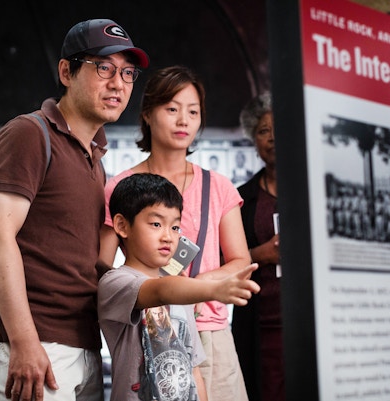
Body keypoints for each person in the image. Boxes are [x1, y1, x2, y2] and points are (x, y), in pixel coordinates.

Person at [0, 18, 149, 401]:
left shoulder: (94, 156)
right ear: (66, 72)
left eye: (127, 73)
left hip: (82, 341)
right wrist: (24, 341)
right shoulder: (29, 135)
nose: (118, 84)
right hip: (34, 341)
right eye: (104, 68)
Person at [99, 65, 252, 401]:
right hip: (149, 328)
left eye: (193, 112)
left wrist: (195, 290)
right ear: (147, 113)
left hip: (210, 330)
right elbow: (102, 265)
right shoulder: (120, 187)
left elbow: (240, 260)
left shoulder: (218, 186)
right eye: (172, 109)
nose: (184, 120)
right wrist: (159, 292)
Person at [98, 173, 260, 401]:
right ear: (122, 226)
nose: (168, 236)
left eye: (175, 227)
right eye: (156, 224)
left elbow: (194, 369)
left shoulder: (181, 295)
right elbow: (160, 291)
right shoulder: (115, 283)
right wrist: (213, 289)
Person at [232, 92, 282, 401]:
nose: (273, 137)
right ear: (254, 139)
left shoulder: (315, 191)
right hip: (260, 324)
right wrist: (260, 254)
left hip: (311, 321)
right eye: (264, 130)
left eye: (279, 129)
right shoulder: (242, 198)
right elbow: (222, 259)